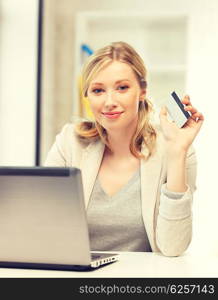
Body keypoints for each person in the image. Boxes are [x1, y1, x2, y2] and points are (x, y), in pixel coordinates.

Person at [44, 41, 204, 256]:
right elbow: (46, 228)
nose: (109, 101)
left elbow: (173, 247)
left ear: (142, 91)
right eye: (98, 90)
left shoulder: (175, 150)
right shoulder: (69, 142)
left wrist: (177, 153)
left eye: (122, 88)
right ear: (88, 97)